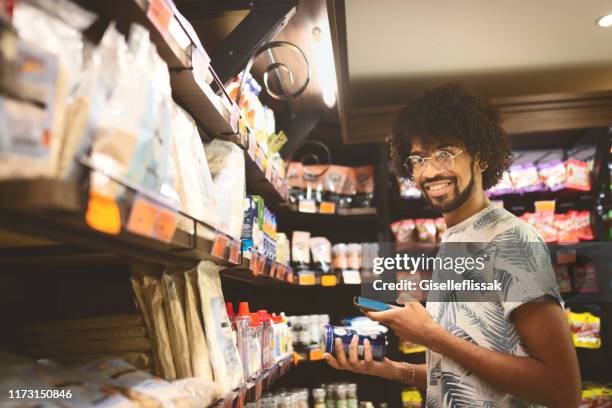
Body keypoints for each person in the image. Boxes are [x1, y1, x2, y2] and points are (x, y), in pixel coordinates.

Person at [324, 83, 581, 407]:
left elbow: (563, 391)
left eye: (444, 153)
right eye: (417, 159)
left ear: (482, 157)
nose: (429, 171)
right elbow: (464, 375)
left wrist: (432, 336)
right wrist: (393, 370)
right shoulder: (456, 240)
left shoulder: (512, 241)